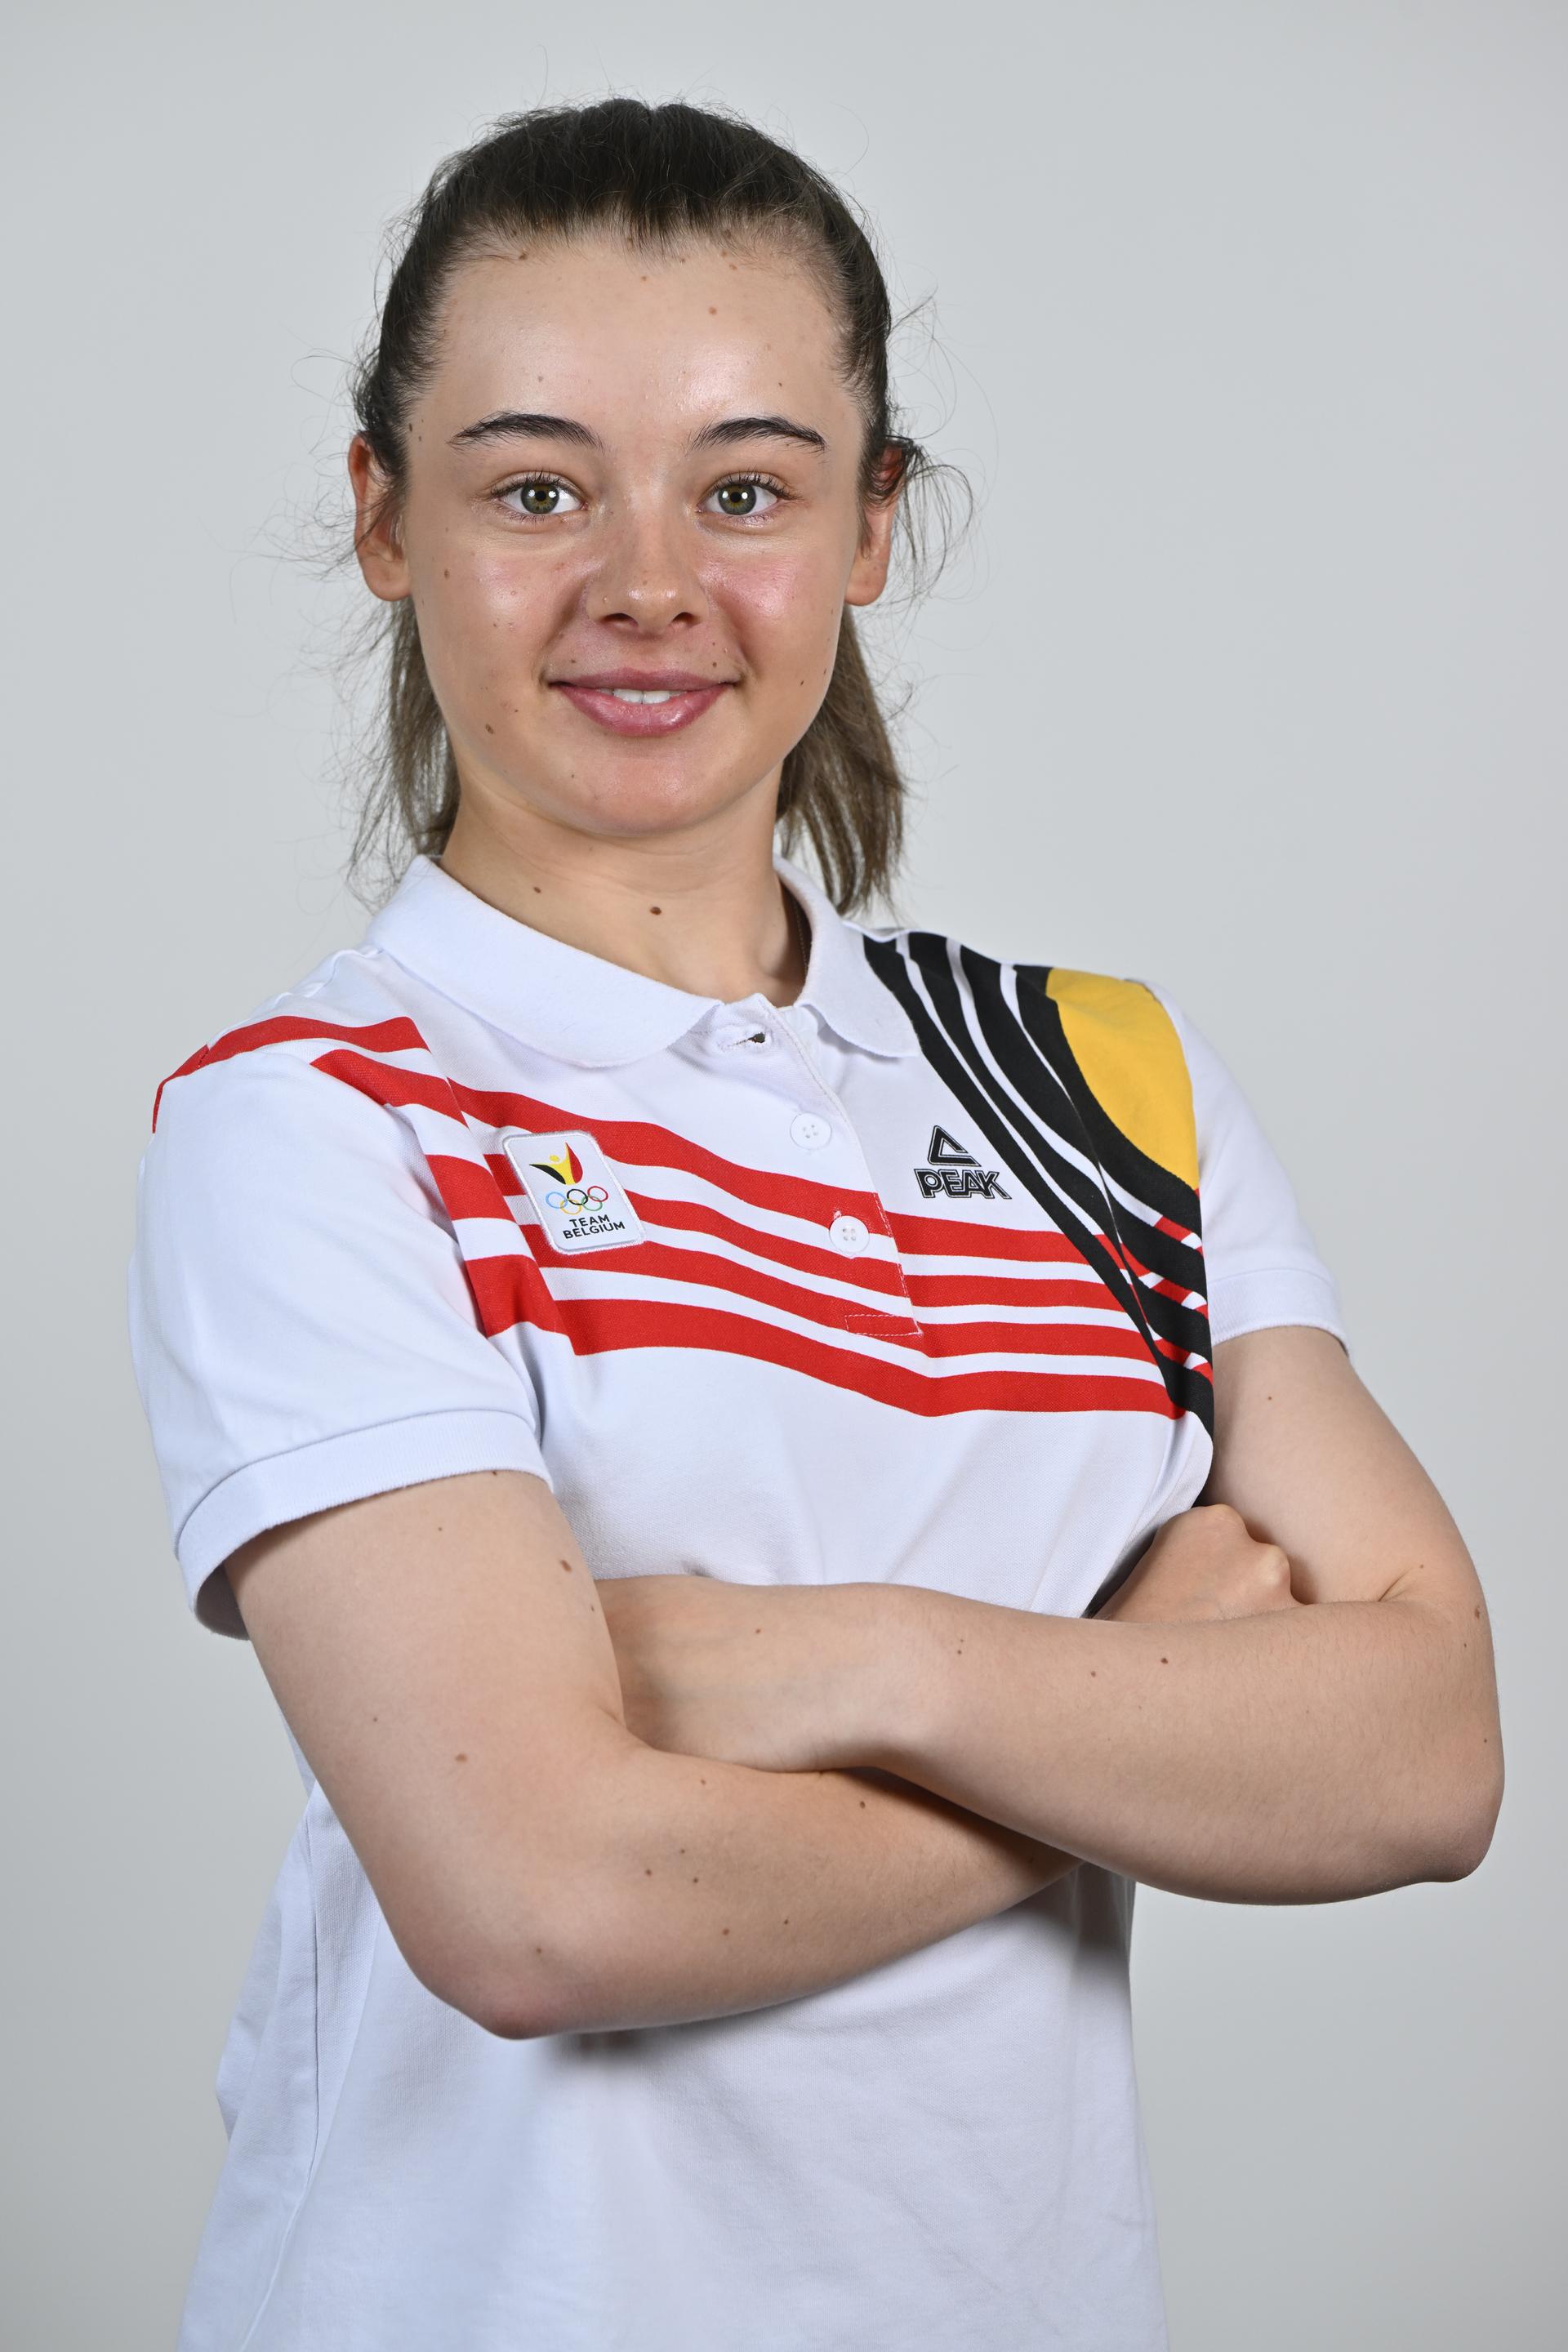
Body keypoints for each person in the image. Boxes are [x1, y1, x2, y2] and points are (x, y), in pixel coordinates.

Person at [127, 97, 1503, 2352]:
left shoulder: (1097, 1080)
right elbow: (540, 1904)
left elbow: (1429, 1751)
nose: (648, 584)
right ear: (387, 519)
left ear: (877, 528)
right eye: (536, 486)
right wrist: (1142, 1721)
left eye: (747, 488)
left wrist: (871, 1662)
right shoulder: (312, 1123)